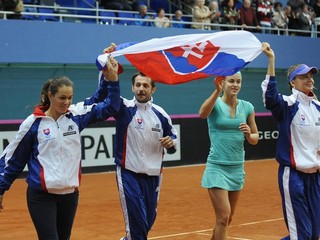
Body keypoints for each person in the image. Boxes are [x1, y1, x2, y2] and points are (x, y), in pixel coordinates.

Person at [0, 47, 121, 240]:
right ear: (50, 96)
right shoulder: (33, 123)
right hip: (41, 196)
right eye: (62, 98)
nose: (67, 102)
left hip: (70, 196)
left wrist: (110, 78)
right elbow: (13, 160)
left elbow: (109, 105)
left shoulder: (76, 116)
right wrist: (1, 188)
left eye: (70, 98)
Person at [101, 57, 178, 239]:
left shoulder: (161, 114)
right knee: (137, 223)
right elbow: (106, 96)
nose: (141, 89)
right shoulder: (122, 108)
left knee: (147, 221)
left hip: (153, 176)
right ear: (132, 87)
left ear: (153, 89)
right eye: (138, 85)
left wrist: (171, 143)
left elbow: (173, 139)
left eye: (145, 85)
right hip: (128, 173)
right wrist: (106, 67)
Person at [261, 42, 320, 240]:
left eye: (310, 76)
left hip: (315, 177)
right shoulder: (288, 104)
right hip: (293, 176)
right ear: (293, 83)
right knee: (301, 235)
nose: (309, 79)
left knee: (314, 234)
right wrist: (271, 60)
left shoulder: (318, 107)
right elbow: (270, 98)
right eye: (304, 76)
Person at [199, 72, 259, 240]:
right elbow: (202, 114)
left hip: (237, 168)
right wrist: (215, 91)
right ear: (223, 83)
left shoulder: (247, 107)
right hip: (217, 167)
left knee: (227, 218)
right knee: (224, 217)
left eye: (238, 81)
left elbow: (255, 138)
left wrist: (249, 134)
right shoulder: (215, 104)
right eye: (231, 81)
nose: (235, 84)